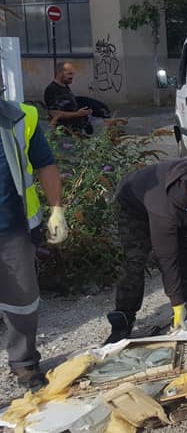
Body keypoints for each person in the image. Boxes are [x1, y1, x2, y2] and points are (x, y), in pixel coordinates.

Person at [105, 158, 187, 344]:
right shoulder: (164, 209)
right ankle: (123, 320)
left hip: (180, 205)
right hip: (135, 204)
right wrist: (176, 302)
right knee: (135, 261)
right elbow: (166, 258)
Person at [0, 88, 68, 390]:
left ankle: (24, 362)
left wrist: (56, 210)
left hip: (13, 227)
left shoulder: (20, 117)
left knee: (23, 300)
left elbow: (45, 164)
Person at [43, 62, 93, 134]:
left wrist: (84, 112)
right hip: (63, 133)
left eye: (73, 74)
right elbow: (54, 114)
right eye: (69, 74)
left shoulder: (65, 87)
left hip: (74, 131)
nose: (72, 76)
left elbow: (68, 107)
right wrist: (78, 114)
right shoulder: (51, 89)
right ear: (60, 73)